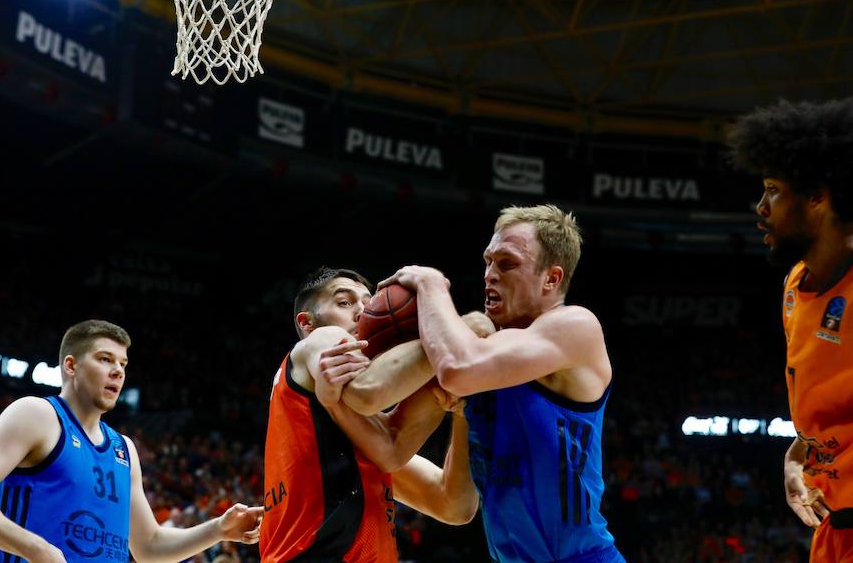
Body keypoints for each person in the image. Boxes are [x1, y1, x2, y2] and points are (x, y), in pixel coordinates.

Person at [375, 204, 625, 562]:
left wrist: (431, 285)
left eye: (507, 263)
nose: (490, 274)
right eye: (488, 261)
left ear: (551, 279)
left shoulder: (575, 327)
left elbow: (458, 368)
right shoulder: (487, 353)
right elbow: (455, 500)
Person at [0, 320, 262, 563]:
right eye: (105, 359)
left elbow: (149, 547)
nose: (117, 371)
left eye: (123, 364)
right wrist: (35, 548)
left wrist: (218, 529)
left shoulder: (124, 449)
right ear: (71, 366)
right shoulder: (38, 414)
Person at [259, 267, 491, 563]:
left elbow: (454, 505)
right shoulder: (317, 342)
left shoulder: (355, 431)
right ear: (307, 323)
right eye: (344, 302)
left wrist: (464, 408)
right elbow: (369, 391)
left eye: (369, 303)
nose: (362, 311)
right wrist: (458, 331)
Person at [729, 98, 853, 562]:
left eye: (773, 190)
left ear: (819, 197)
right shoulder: (794, 284)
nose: (760, 206)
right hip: (833, 535)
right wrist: (797, 454)